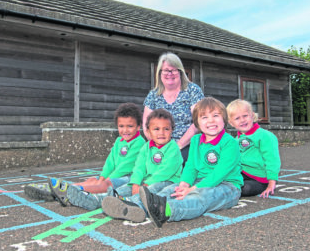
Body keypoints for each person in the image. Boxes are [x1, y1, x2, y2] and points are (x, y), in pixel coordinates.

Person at [105, 97, 242, 227]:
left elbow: (219, 174)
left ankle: (165, 211)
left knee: (202, 196)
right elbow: (191, 167)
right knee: (171, 189)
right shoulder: (196, 140)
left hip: (227, 186)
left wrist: (192, 189)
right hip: (199, 180)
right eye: (204, 117)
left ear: (224, 119)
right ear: (197, 122)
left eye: (216, 116)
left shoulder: (230, 143)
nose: (211, 121)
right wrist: (183, 185)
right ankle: (133, 206)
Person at [23, 102, 145, 202]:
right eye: (121, 126)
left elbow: (125, 166)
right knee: (92, 180)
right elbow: (110, 161)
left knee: (104, 184)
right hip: (115, 174)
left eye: (130, 126)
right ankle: (63, 189)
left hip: (130, 177)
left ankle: (68, 191)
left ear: (138, 126)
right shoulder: (119, 140)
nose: (125, 130)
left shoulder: (139, 142)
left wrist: (106, 179)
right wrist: (102, 176)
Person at [101, 109, 183, 221]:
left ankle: (133, 206)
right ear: (148, 131)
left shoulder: (173, 148)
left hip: (167, 180)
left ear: (172, 131)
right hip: (145, 181)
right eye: (156, 129)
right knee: (126, 188)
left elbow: (166, 171)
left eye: (166, 129)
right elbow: (139, 167)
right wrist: (135, 183)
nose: (161, 133)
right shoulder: (146, 147)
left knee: (152, 190)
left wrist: (146, 184)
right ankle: (107, 199)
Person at [143, 52, 204, 164]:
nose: (170, 73)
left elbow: (198, 122)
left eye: (174, 70)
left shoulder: (193, 90)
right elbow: (146, 125)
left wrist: (178, 146)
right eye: (166, 70)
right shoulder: (153, 95)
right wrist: (158, 145)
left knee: (176, 163)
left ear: (180, 72)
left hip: (186, 144)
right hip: (160, 144)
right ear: (160, 73)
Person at [226, 99, 280, 198]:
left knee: (245, 189)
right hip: (242, 174)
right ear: (231, 123)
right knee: (225, 181)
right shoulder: (235, 140)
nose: (242, 120)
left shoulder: (265, 136)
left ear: (252, 115)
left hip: (260, 178)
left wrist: (271, 183)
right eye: (237, 118)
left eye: (245, 116)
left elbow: (272, 160)